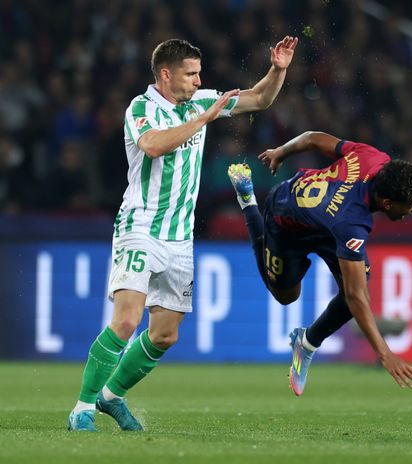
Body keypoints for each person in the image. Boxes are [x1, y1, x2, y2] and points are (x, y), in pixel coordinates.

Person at [67, 35, 299, 432]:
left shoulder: (200, 100)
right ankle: (82, 409)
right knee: (126, 322)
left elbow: (260, 100)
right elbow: (153, 145)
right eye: (191, 74)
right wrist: (203, 119)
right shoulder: (142, 108)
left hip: (179, 237)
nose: (198, 80)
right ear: (165, 74)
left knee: (164, 334)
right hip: (140, 226)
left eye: (199, 74)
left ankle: (111, 397)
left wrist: (277, 70)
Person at [226, 130, 412, 396]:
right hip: (285, 218)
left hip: (324, 223)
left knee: (357, 284)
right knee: (287, 295)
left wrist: (281, 151)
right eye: (411, 206)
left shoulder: (372, 156)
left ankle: (307, 343)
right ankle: (248, 201)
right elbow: (356, 297)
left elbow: (312, 137)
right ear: (388, 202)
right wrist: (385, 354)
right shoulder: (352, 222)